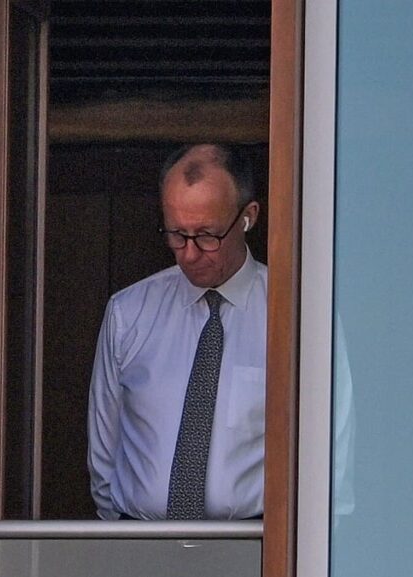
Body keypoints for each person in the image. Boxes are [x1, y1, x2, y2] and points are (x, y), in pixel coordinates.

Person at [87, 144, 267, 520]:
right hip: (142, 539)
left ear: (247, 218)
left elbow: (332, 450)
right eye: (176, 234)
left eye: (207, 235)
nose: (189, 253)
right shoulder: (129, 312)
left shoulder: (293, 315)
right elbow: (105, 450)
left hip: (255, 542)